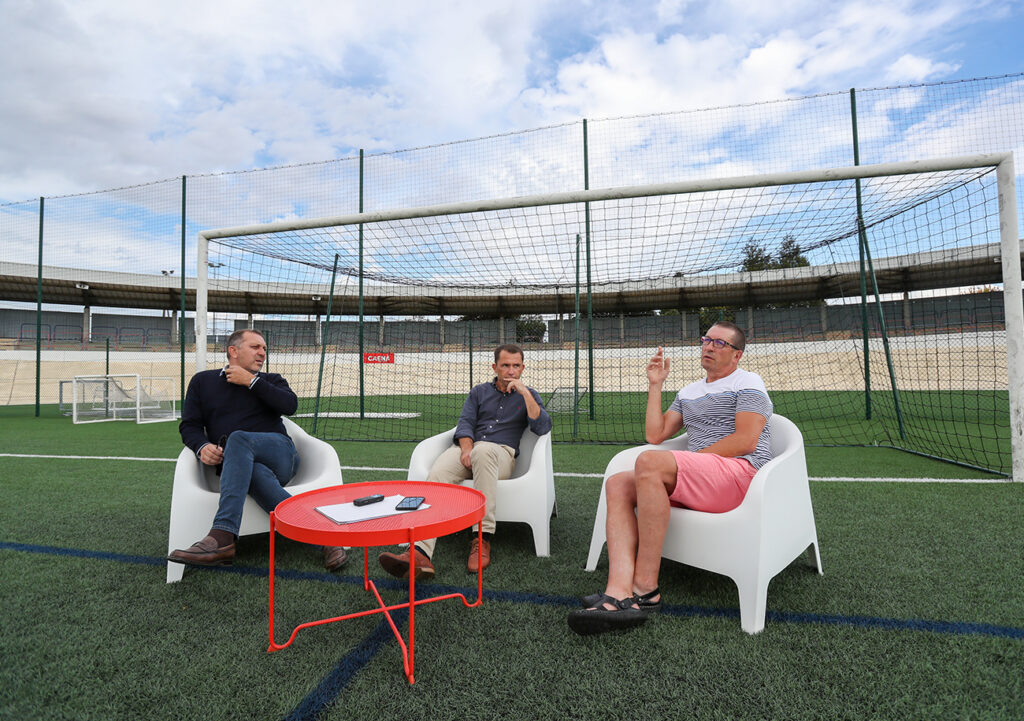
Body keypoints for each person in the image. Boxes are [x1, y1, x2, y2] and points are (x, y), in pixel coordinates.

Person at [568, 321, 772, 635]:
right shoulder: (689, 391)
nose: (708, 347)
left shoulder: (748, 382)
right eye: (706, 340)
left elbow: (746, 440)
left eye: (719, 343)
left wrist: (686, 462)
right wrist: (655, 384)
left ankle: (646, 588)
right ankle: (618, 590)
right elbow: (656, 433)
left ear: (737, 355)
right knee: (618, 483)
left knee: (648, 462)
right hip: (699, 477)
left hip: (740, 474)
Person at [168, 329, 348, 572]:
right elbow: (189, 425)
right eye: (255, 347)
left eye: (264, 348)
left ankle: (222, 535)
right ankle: (325, 536)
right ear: (233, 351)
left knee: (239, 438)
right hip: (237, 465)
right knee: (253, 472)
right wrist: (202, 447)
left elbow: (290, 405)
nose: (262, 353)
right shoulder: (203, 382)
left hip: (280, 454)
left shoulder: (271, 380)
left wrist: (252, 382)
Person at [378, 343, 552, 579]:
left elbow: (542, 426)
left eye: (516, 366)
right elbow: (465, 423)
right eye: (505, 366)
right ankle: (419, 551)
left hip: (500, 455)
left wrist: (525, 393)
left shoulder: (529, 395)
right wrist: (466, 450)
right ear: (495, 367)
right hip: (469, 450)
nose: (511, 371)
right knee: (437, 475)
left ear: (522, 368)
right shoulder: (479, 392)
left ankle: (482, 539)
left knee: (485, 451)